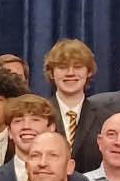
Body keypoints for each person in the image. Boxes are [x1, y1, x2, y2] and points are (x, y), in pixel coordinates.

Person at [43, 38, 105, 172]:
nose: (70, 73)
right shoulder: (40, 114)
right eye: (62, 67)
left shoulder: (105, 118)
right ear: (51, 73)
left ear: (89, 72)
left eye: (77, 67)